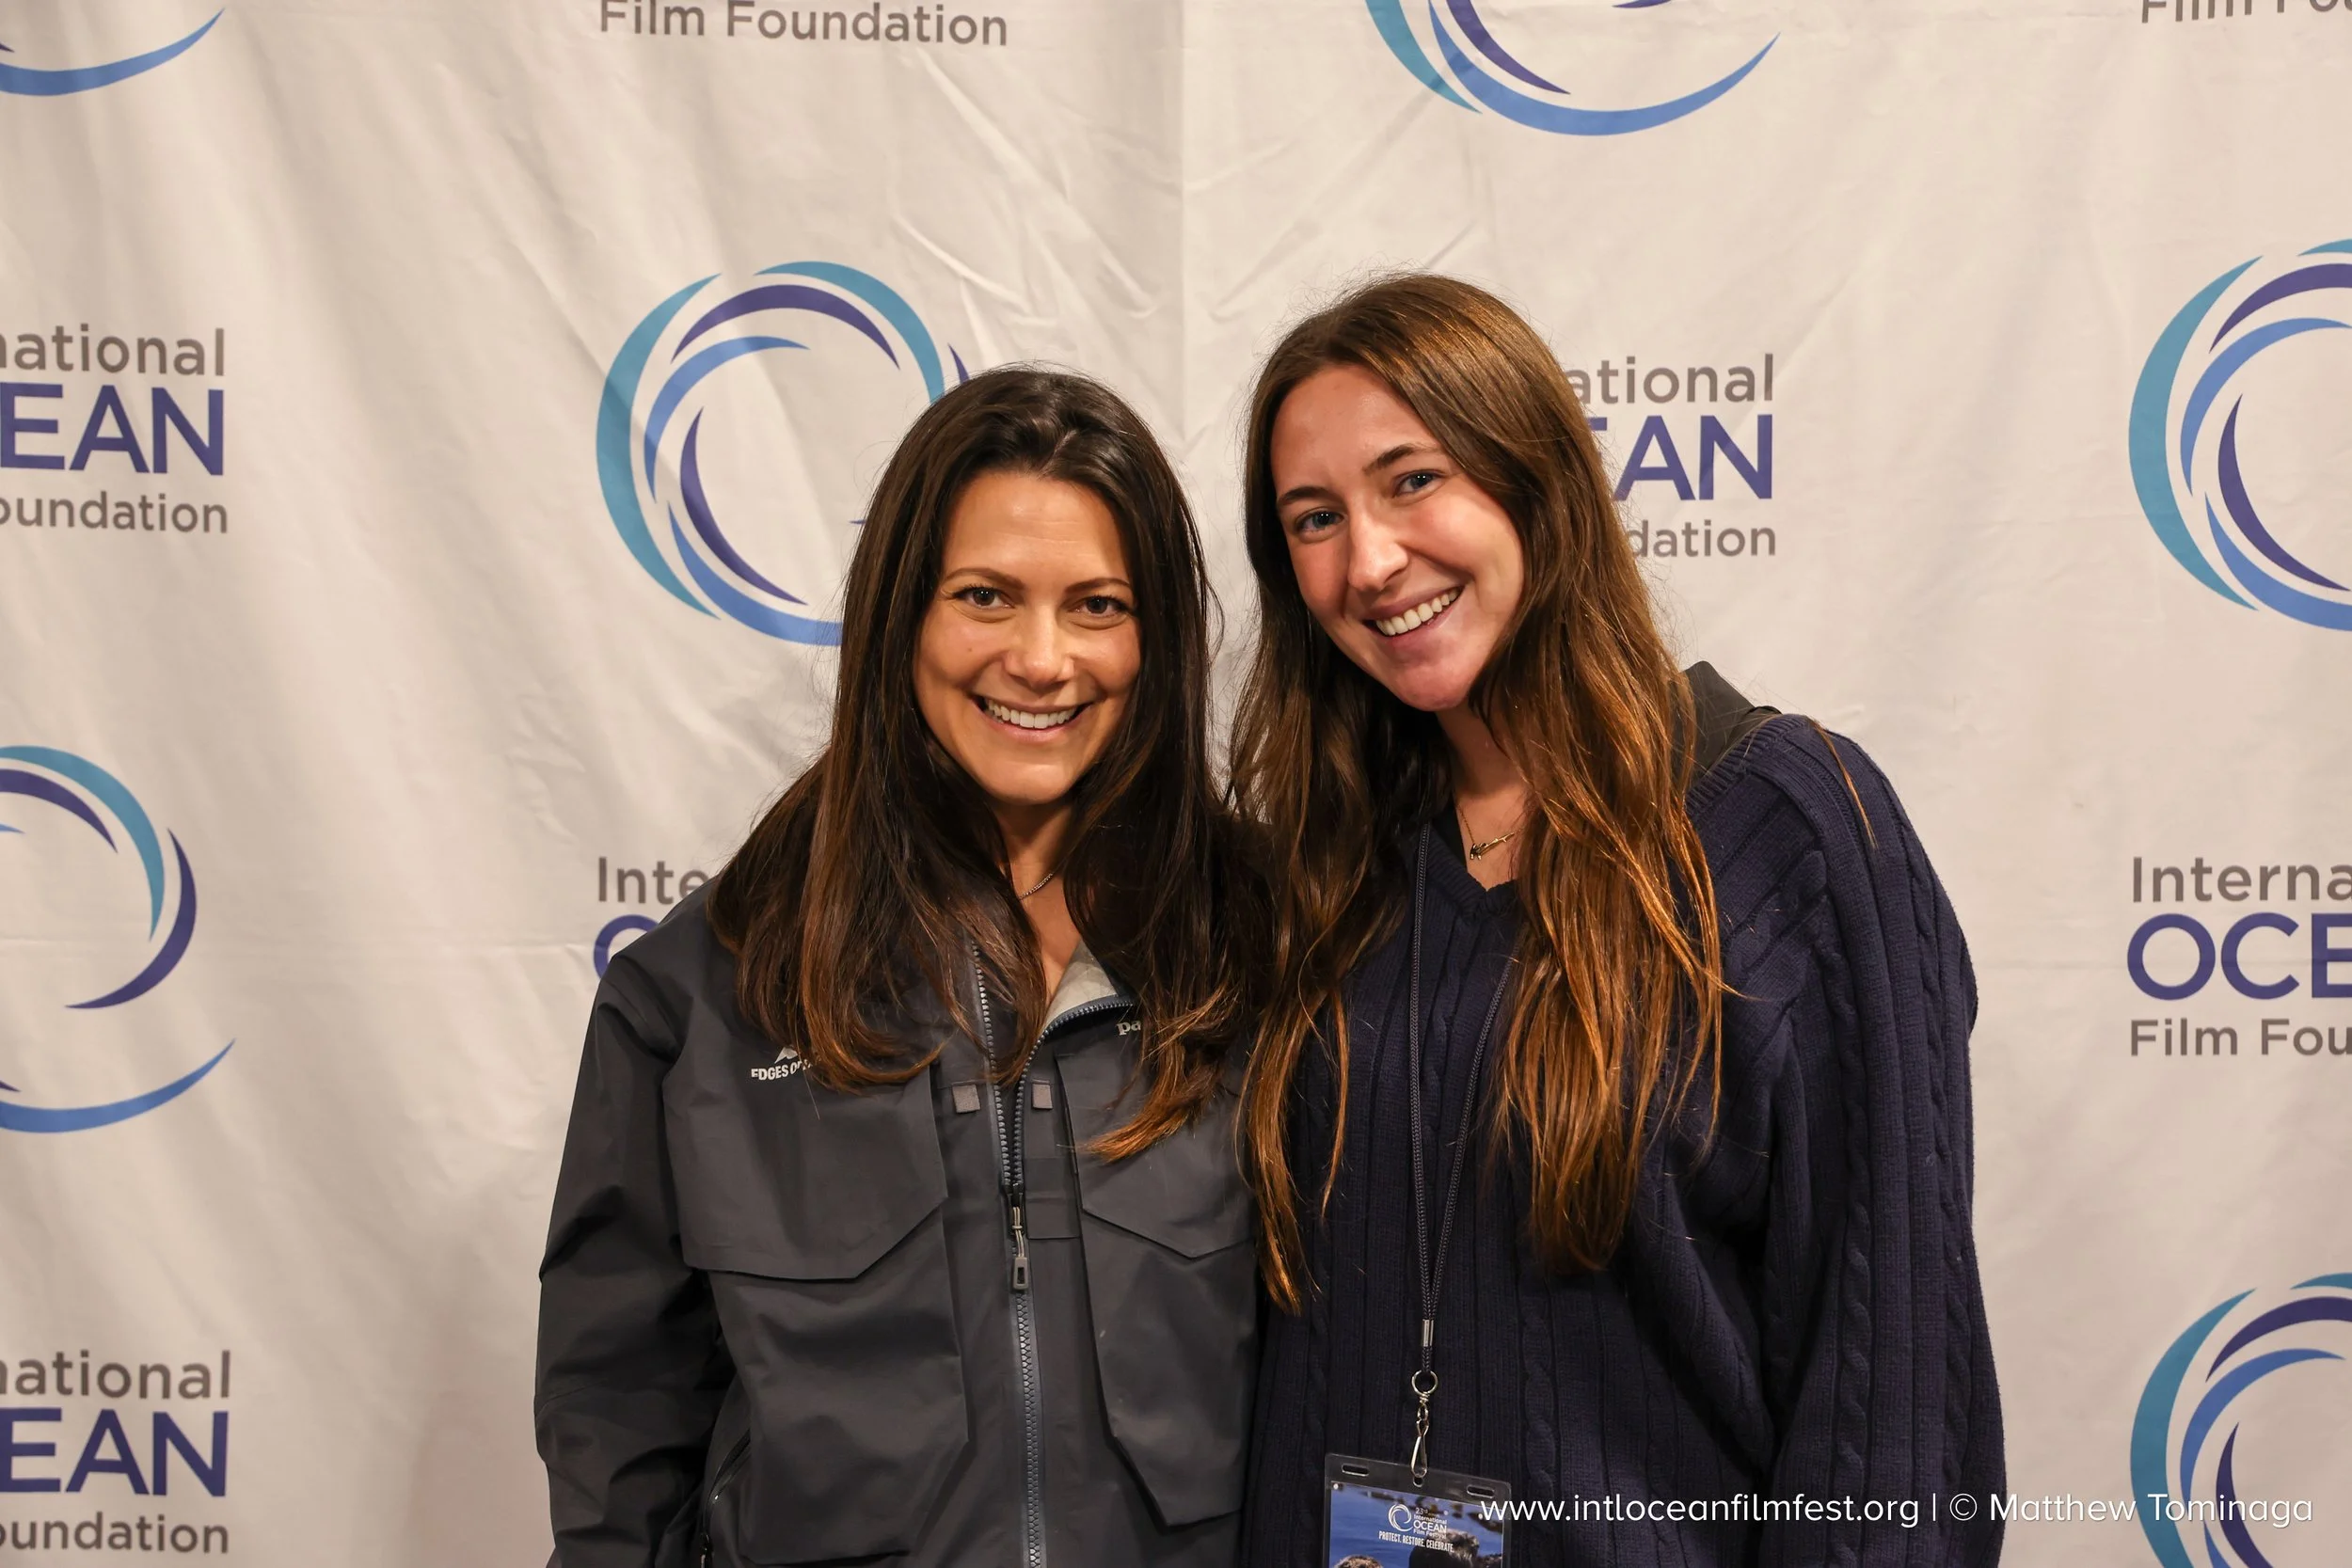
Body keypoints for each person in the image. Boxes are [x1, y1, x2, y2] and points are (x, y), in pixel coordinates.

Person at [1229, 276, 2004, 1566]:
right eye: (1316, 517)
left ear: (1536, 475)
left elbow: (1892, 1404)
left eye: (1412, 479)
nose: (1369, 559)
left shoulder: (1788, 826)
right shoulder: (1327, 874)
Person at [535, 368, 1261, 1567]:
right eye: (985, 596)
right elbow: (617, 1411)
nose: (1041, 658)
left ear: (1158, 640)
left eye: (1096, 605)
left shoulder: (1268, 946)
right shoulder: (708, 988)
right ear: (902, 617)